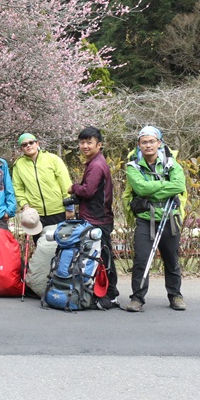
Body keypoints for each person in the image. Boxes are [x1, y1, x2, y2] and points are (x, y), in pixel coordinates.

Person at [125, 126, 187, 312]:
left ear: (159, 143)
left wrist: (153, 188)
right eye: (144, 142)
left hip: (169, 217)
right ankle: (137, 298)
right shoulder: (133, 166)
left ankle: (175, 296)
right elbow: (140, 189)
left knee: (171, 259)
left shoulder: (171, 164)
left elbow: (179, 185)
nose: (148, 145)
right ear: (139, 145)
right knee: (141, 260)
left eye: (152, 141)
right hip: (145, 218)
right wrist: (164, 185)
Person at [68, 126, 119, 310]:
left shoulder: (96, 165)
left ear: (99, 144)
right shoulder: (94, 162)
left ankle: (111, 294)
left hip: (98, 218)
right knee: (98, 257)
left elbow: (88, 191)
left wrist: (74, 188)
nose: (85, 146)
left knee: (103, 257)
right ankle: (98, 292)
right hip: (95, 217)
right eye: (82, 142)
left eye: (89, 142)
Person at [11, 132, 74, 229]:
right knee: (40, 243)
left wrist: (69, 206)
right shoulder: (19, 165)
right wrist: (24, 205)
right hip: (35, 214)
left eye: (31, 142)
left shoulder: (53, 159)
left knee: (60, 242)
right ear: (21, 149)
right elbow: (18, 188)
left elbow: (65, 183)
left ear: (37, 143)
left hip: (58, 211)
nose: (28, 146)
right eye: (24, 144)